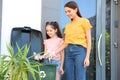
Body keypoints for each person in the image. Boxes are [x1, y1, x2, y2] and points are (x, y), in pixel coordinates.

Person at [53, 1, 92, 80]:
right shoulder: (68, 26)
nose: (67, 14)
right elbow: (65, 44)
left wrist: (87, 57)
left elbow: (89, 41)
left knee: (80, 76)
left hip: (80, 51)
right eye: (66, 12)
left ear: (76, 10)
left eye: (69, 11)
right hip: (69, 53)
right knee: (69, 77)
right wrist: (53, 52)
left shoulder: (84, 21)